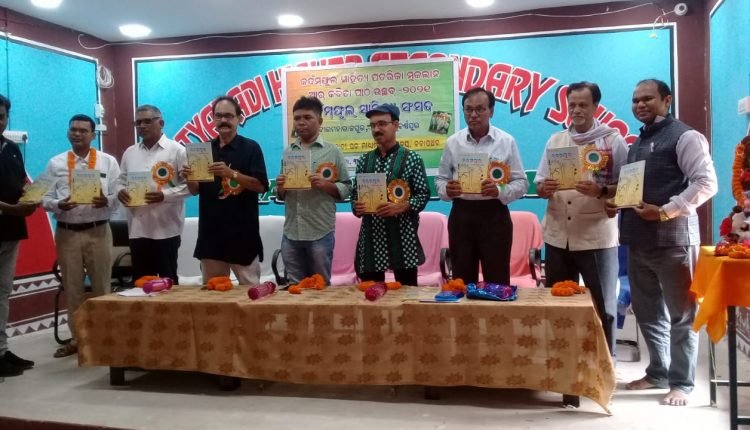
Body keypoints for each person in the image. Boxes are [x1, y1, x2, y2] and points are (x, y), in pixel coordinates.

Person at [611, 79, 718, 406]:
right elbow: (633, 189)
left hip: (674, 243)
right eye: (635, 100)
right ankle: (657, 372)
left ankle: (682, 383)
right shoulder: (638, 142)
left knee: (682, 316)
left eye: (647, 98)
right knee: (647, 313)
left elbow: (706, 182)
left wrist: (665, 211)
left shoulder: (685, 137)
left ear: (666, 100)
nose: (640, 105)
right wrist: (613, 201)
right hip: (638, 241)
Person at [534, 82, 628, 354]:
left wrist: (601, 191)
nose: (576, 110)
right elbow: (539, 185)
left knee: (604, 306)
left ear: (596, 106)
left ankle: (606, 365)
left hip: (596, 237)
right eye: (572, 105)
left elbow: (629, 186)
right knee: (558, 303)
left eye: (583, 105)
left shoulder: (613, 141)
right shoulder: (555, 140)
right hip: (557, 237)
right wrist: (544, 189)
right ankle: (561, 360)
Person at [42, 114, 120, 358]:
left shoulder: (108, 162)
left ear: (93, 135)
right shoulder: (55, 163)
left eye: (83, 130)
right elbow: (43, 197)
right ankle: (77, 339)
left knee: (102, 288)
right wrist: (58, 204)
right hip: (68, 233)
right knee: (73, 289)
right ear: (68, 132)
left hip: (99, 231)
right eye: (73, 129)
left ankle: (105, 339)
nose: (77, 134)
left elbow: (120, 194)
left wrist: (107, 200)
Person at [435, 87, 527, 285]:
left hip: (495, 215)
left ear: (491, 111)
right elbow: (440, 180)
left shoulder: (506, 141)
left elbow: (521, 183)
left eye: (480, 109)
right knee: (462, 280)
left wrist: (499, 191)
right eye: (468, 109)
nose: (473, 115)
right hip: (461, 215)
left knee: (497, 280)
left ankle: (497, 306)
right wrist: (447, 190)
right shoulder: (452, 143)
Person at [183, 96, 268, 285]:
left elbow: (261, 186)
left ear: (239, 118)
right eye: (218, 116)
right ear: (213, 119)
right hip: (211, 236)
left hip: (243, 236)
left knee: (250, 294)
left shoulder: (251, 148)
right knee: (213, 295)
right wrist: (189, 178)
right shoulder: (203, 151)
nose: (223, 120)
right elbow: (195, 190)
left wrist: (232, 174)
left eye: (229, 116)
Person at [351, 103, 430, 286]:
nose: (376, 129)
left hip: (403, 239)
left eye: (382, 124)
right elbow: (355, 197)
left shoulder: (412, 159)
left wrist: (401, 207)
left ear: (395, 125)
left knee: (407, 294)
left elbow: (423, 194)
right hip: (371, 240)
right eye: (372, 125)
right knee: (371, 294)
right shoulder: (364, 160)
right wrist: (357, 206)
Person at [275, 96, 351, 285]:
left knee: (320, 286)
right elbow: (281, 195)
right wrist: (281, 187)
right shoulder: (288, 152)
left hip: (320, 232)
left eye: (307, 117)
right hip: (291, 232)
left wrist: (326, 185)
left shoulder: (333, 151)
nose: (301, 122)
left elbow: (347, 187)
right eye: (297, 118)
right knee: (294, 287)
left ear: (320, 121)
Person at [117, 105, 190, 283]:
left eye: (147, 121)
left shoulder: (178, 150)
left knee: (168, 283)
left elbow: (190, 187)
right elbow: (120, 181)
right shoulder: (130, 152)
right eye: (138, 122)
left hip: (166, 230)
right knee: (141, 284)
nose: (142, 126)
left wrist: (164, 195)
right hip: (137, 230)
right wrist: (120, 192)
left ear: (161, 123)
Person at [0, 94, 39, 376]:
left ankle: (1, 349)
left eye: (1, 116)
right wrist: (9, 208)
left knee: (3, 292)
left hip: (10, 231)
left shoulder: (11, 148)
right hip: (8, 218)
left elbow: (20, 183)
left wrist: (32, 197)